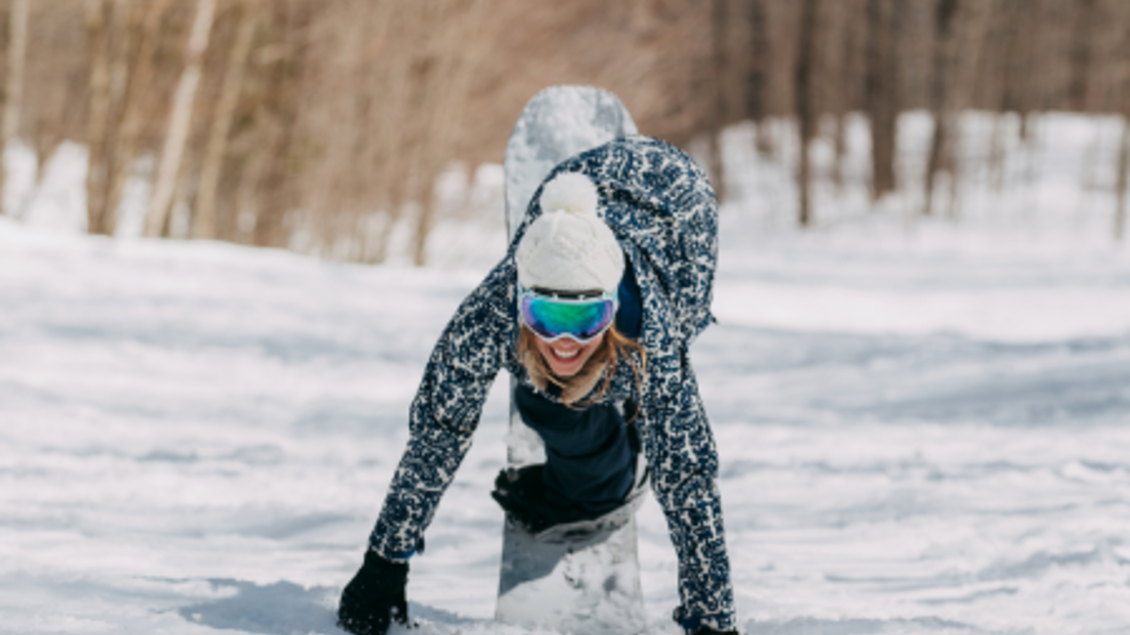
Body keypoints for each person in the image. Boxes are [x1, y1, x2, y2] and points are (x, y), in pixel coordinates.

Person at [337, 136, 739, 635]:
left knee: (608, 403)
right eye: (545, 316)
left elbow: (688, 477)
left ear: (611, 311)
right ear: (520, 304)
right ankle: (575, 402)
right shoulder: (489, 315)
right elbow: (438, 430)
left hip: (681, 215)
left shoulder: (653, 335)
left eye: (586, 319)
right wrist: (385, 560)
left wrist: (712, 621)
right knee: (548, 393)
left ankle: (615, 458)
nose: (565, 340)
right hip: (581, 181)